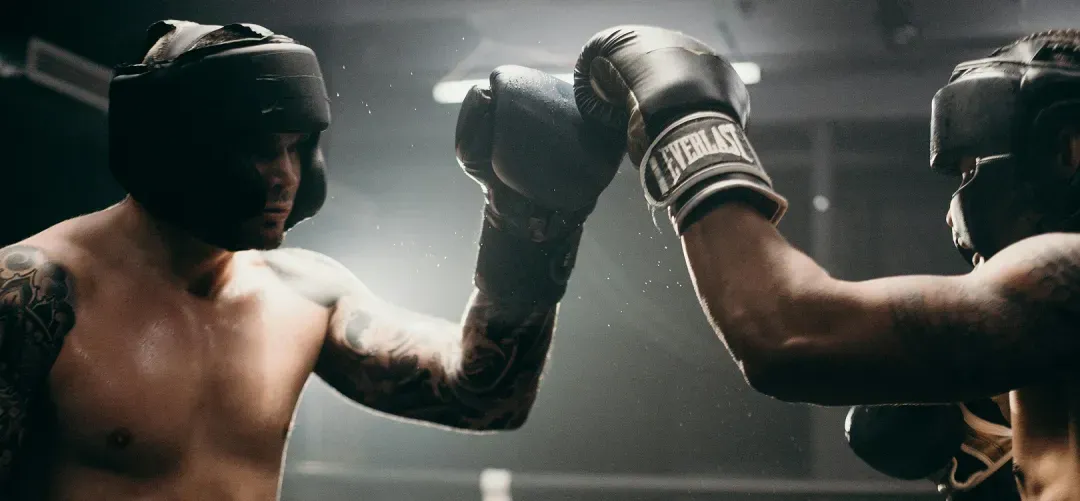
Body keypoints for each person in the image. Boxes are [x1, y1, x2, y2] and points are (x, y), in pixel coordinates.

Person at [0, 20, 624, 500]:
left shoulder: (305, 293)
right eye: (258, 149)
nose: (285, 177)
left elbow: (485, 396)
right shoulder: (34, 293)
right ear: (170, 148)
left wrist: (530, 224)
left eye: (297, 148)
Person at [574, 26, 1080, 499]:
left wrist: (685, 121)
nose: (954, 210)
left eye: (972, 171)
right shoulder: (1035, 351)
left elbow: (786, 331)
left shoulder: (1069, 279)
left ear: (1067, 151)